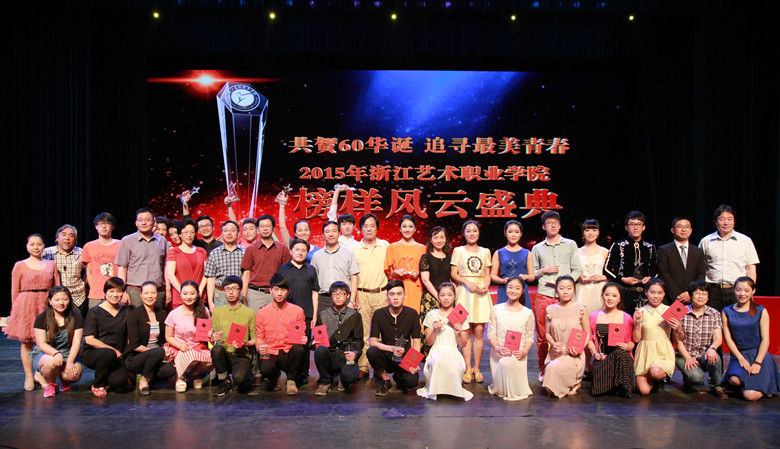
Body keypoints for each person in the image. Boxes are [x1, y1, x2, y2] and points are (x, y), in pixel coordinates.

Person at [5, 234, 60, 391]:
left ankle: (40, 374)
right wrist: (16, 311)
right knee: (27, 342)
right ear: (27, 246)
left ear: (44, 246)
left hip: (46, 304)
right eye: (32, 244)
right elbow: (15, 290)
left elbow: (57, 288)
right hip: (26, 305)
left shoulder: (51, 265)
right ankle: (29, 375)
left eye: (39, 244)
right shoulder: (20, 265)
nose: (36, 247)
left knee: (44, 342)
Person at [531, 211, 582, 376]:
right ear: (543, 226)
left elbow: (577, 270)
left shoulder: (571, 244)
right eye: (549, 222)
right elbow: (532, 273)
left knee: (569, 333)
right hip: (545, 294)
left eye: (555, 222)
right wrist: (543, 271)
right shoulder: (537, 248)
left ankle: (571, 368)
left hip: (565, 297)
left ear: (559, 225)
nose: (552, 225)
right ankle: (544, 370)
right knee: (542, 336)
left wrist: (564, 283)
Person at [722, 277, 780, 401]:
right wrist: (740, 358)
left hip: (758, 354)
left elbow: (765, 339)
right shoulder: (727, 311)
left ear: (753, 291)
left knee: (750, 396)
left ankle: (765, 385)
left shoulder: (761, 311)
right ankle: (751, 384)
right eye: (738, 290)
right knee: (734, 380)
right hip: (740, 354)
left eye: (746, 290)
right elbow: (728, 339)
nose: (742, 294)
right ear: (734, 290)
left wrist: (758, 362)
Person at [450, 220, 492, 384]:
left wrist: (486, 285)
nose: (472, 233)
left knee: (479, 332)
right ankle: (467, 368)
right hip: (464, 294)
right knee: (465, 331)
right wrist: (467, 283)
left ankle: (477, 368)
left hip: (480, 294)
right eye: (468, 231)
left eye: (475, 230)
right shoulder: (458, 250)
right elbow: (454, 273)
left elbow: (487, 273)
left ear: (479, 233)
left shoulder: (485, 251)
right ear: (464, 233)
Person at [417, 282, 472, 401]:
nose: (446, 298)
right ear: (438, 296)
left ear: (454, 296)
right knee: (438, 361)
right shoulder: (432, 315)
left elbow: (463, 344)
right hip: (436, 350)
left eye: (449, 295)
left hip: (453, 351)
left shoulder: (460, 315)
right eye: (442, 295)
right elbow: (428, 343)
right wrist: (435, 330)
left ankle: (453, 390)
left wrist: (458, 332)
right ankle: (436, 390)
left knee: (452, 365)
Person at [275, 238, 320, 385]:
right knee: (287, 343)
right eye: (297, 250)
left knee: (303, 345)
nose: (300, 253)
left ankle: (302, 375)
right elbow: (277, 292)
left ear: (307, 253)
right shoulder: (283, 269)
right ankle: (290, 374)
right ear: (290, 251)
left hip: (306, 314)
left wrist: (314, 315)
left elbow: (315, 293)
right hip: (287, 314)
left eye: (303, 250)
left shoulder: (311, 269)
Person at [255, 274, 308, 395]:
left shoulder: (297, 311)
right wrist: (259, 347)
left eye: (283, 290)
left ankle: (291, 380)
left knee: (299, 348)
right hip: (271, 351)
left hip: (288, 351)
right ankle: (274, 379)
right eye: (276, 290)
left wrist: (302, 339)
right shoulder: (262, 312)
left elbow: (300, 335)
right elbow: (259, 337)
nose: (279, 294)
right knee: (265, 367)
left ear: (288, 291)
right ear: (270, 290)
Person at [699, 205, 760, 312]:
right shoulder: (706, 241)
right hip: (713, 291)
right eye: (722, 219)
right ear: (715, 222)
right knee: (714, 321)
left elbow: (750, 268)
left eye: (729, 219)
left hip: (737, 290)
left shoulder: (745, 241)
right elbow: (700, 268)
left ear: (734, 222)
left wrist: (749, 291)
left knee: (737, 320)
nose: (726, 223)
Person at [367, 279, 422, 396]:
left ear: (404, 295)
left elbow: (416, 342)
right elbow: (373, 342)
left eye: (399, 294)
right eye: (392, 294)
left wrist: (414, 362)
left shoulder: (412, 314)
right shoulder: (379, 314)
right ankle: (385, 380)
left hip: (405, 358)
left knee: (411, 382)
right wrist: (392, 348)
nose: (395, 298)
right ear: (387, 296)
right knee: (371, 351)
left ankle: (399, 375)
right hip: (387, 357)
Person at [673, 281, 727, 398]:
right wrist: (688, 358)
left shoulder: (714, 313)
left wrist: (712, 348)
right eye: (697, 293)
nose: (701, 297)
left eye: (704, 294)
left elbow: (718, 338)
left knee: (716, 358)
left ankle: (716, 385)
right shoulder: (679, 310)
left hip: (704, 354)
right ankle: (688, 377)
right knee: (697, 377)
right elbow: (677, 340)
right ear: (691, 295)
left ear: (708, 297)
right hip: (685, 354)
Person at [351, 213, 389, 378]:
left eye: (372, 226)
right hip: (362, 294)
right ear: (361, 229)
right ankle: (364, 367)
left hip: (381, 293)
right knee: (364, 333)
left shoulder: (385, 246)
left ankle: (379, 369)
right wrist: (353, 297)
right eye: (365, 226)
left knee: (381, 334)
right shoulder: (355, 249)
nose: (369, 229)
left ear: (377, 228)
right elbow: (352, 275)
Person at [81, 277, 131, 398]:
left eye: (119, 291)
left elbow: (129, 337)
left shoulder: (127, 311)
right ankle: (98, 384)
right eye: (111, 291)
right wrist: (112, 350)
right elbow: (89, 339)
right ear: (105, 292)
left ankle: (109, 377)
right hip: (94, 352)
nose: (115, 295)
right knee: (108, 353)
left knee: (120, 382)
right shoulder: (95, 312)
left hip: (118, 354)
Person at [486, 276, 535, 401]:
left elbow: (530, 337)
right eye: (510, 287)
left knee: (507, 363)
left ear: (522, 291)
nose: (513, 291)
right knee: (503, 363)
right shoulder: (496, 309)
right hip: (499, 354)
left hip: (518, 355)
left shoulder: (527, 313)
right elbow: (491, 334)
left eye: (517, 288)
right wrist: (498, 348)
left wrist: (524, 351)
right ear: (506, 288)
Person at [124, 281, 176, 395]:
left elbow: (165, 339)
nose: (149, 296)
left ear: (157, 295)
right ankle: (144, 380)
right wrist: (156, 352)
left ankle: (149, 375)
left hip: (156, 357)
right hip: (136, 358)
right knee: (158, 351)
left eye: (153, 293)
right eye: (146, 293)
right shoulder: (134, 314)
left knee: (169, 370)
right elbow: (134, 345)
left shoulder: (162, 313)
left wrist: (166, 351)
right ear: (141, 295)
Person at [30, 286, 83, 398]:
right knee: (51, 362)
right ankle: (50, 383)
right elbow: (41, 343)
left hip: (67, 352)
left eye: (65, 299)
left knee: (74, 374)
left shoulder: (76, 317)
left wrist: (70, 362)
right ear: (50, 301)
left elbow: (76, 342)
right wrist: (55, 353)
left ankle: (64, 379)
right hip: (46, 353)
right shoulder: (41, 318)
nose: (61, 303)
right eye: (57, 300)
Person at [313, 281, 364, 396]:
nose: (338, 296)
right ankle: (325, 381)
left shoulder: (355, 315)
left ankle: (342, 376)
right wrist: (313, 342)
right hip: (330, 355)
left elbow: (359, 340)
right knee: (320, 350)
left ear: (347, 295)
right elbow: (317, 337)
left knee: (349, 379)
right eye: (335, 294)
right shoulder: (323, 315)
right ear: (331, 296)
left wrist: (355, 353)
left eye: (341, 293)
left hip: (346, 355)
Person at [542, 275, 589, 398]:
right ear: (556, 290)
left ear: (574, 290)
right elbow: (547, 333)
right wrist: (553, 344)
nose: (565, 291)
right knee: (549, 389)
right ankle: (569, 383)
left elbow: (587, 333)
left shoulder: (581, 309)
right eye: (561, 288)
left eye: (569, 288)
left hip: (573, 354)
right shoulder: (550, 309)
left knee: (553, 373)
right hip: (556, 353)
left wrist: (578, 349)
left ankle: (575, 381)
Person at [604, 210, 658, 317]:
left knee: (644, 322)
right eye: (632, 224)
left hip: (645, 292)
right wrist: (622, 279)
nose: (635, 227)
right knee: (624, 321)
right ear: (626, 227)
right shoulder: (618, 245)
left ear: (643, 227)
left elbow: (655, 270)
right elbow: (607, 269)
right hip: (624, 292)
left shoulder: (650, 247)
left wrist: (650, 278)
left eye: (639, 224)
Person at [586, 283, 635, 398]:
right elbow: (590, 339)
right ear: (602, 296)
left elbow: (631, 342)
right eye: (607, 295)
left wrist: (628, 346)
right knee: (598, 386)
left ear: (619, 299)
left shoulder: (626, 317)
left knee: (621, 354)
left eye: (614, 295)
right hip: (602, 358)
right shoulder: (593, 316)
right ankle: (612, 386)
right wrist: (595, 354)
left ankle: (622, 387)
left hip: (621, 358)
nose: (610, 298)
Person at [210, 276, 257, 397]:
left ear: (240, 291)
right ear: (223, 291)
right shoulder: (217, 312)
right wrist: (211, 337)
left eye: (234, 288)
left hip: (241, 355)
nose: (231, 292)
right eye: (227, 289)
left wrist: (245, 344)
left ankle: (245, 377)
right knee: (216, 349)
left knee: (239, 380)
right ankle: (224, 381)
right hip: (224, 354)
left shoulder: (249, 313)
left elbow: (255, 338)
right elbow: (213, 339)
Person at [164, 280, 213, 392]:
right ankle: (180, 376)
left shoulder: (204, 310)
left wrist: (211, 336)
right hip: (180, 347)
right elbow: (168, 336)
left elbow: (206, 335)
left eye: (192, 293)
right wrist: (180, 345)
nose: (188, 297)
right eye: (185, 294)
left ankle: (194, 373)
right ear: (180, 294)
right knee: (190, 356)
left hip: (198, 347)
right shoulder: (173, 314)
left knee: (215, 358)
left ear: (198, 294)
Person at [115, 207, 168, 309]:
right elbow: (122, 268)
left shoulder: (162, 241)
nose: (143, 223)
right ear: (136, 223)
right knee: (135, 318)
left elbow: (166, 267)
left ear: (154, 222)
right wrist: (122, 291)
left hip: (158, 291)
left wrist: (168, 291)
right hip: (135, 291)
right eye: (140, 220)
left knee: (158, 318)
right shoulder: (127, 240)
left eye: (147, 220)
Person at [633, 278, 678, 395]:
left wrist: (678, 327)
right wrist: (637, 322)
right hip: (645, 352)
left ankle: (659, 378)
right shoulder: (640, 311)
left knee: (656, 372)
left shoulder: (669, 310)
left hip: (662, 351)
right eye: (652, 292)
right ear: (646, 292)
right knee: (644, 391)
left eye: (660, 293)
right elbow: (636, 339)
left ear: (664, 294)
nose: (656, 296)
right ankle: (652, 378)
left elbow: (679, 337)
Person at [240, 214, 291, 312]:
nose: (265, 229)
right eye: (262, 226)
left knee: (276, 320)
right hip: (255, 294)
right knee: (254, 320)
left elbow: (287, 274)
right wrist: (244, 295)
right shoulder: (251, 249)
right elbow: (246, 273)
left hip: (276, 293)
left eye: (268, 226)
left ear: (273, 228)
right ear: (258, 229)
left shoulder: (283, 249)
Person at [311, 221, 360, 318]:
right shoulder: (316, 256)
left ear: (339, 233)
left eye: (334, 231)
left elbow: (354, 277)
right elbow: (314, 281)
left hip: (344, 298)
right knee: (324, 327)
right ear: (323, 235)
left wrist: (352, 301)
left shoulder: (348, 253)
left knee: (346, 327)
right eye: (327, 232)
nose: (331, 234)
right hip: (324, 300)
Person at [419, 226, 453, 356]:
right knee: (429, 330)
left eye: (442, 237)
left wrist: (449, 297)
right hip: (431, 299)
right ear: (431, 240)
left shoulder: (450, 258)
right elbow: (425, 280)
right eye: (436, 237)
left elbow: (452, 280)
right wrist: (438, 296)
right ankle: (428, 360)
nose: (439, 240)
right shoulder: (426, 257)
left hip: (448, 298)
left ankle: (447, 357)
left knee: (448, 329)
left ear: (446, 239)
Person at [658, 217, 706, 306]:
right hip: (670, 298)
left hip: (692, 299)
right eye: (680, 226)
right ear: (673, 230)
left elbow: (701, 274)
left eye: (686, 227)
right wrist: (678, 295)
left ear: (691, 230)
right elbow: (663, 273)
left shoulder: (698, 251)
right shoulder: (664, 250)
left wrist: (690, 293)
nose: (683, 229)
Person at [385, 215, 426, 313]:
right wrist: (396, 271)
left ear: (415, 229)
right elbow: (388, 273)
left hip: (416, 288)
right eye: (404, 226)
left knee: (414, 315)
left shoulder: (422, 248)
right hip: (397, 289)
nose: (407, 230)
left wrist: (418, 273)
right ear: (400, 229)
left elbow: (426, 272)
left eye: (410, 226)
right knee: (397, 315)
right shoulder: (392, 247)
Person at [42, 224, 86, 316]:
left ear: (75, 240)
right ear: (57, 238)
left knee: (75, 323)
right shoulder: (47, 253)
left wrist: (84, 283)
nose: (67, 238)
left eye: (71, 235)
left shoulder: (81, 252)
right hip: (54, 298)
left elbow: (91, 270)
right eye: (64, 234)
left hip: (76, 298)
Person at [204, 220, 246, 312]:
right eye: (226, 230)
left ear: (238, 233)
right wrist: (210, 302)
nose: (229, 233)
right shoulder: (214, 253)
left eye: (232, 230)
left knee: (239, 320)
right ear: (222, 233)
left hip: (239, 294)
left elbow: (247, 275)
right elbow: (211, 279)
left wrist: (244, 295)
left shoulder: (245, 252)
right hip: (220, 295)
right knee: (221, 320)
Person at [82, 212, 121, 311]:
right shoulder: (88, 246)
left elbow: (124, 269)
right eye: (100, 223)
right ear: (96, 227)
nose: (103, 226)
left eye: (107, 223)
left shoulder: (121, 244)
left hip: (116, 292)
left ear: (112, 226)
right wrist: (94, 289)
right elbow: (89, 271)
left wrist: (122, 291)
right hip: (96, 294)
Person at [166, 218, 208, 309]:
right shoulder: (173, 252)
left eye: (192, 232)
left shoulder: (202, 252)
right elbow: (171, 275)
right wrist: (183, 293)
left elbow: (206, 274)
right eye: (185, 232)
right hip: (180, 296)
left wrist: (199, 291)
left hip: (199, 295)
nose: (189, 235)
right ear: (180, 234)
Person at [491, 220, 534, 307]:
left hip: (521, 292)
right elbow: (493, 276)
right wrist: (503, 281)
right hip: (505, 290)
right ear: (505, 233)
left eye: (516, 232)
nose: (513, 235)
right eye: (510, 232)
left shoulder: (527, 253)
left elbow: (532, 276)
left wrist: (525, 277)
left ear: (520, 234)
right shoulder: (498, 253)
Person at [574, 219, 608, 314]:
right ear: (583, 233)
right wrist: (579, 277)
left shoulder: (605, 252)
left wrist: (604, 277)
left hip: (600, 288)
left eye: (594, 230)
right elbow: (571, 271)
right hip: (582, 289)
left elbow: (613, 273)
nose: (591, 233)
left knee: (600, 317)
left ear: (598, 232)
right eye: (587, 230)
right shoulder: (576, 252)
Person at [276, 190, 320, 263]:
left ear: (310, 232)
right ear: (295, 233)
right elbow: (282, 227)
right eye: (300, 230)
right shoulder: (291, 244)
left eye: (306, 230)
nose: (303, 233)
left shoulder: (317, 250)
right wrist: (282, 205)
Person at [327, 185, 360, 249]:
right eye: (344, 224)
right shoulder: (336, 241)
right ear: (339, 226)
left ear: (354, 226)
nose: (347, 227)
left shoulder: (358, 245)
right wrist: (337, 191)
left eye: (350, 224)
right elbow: (332, 214)